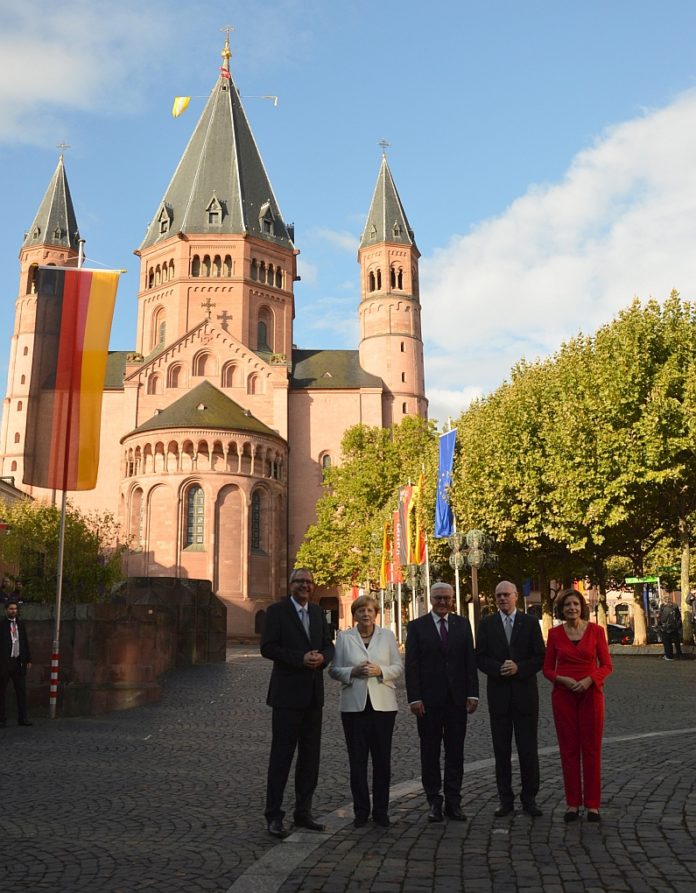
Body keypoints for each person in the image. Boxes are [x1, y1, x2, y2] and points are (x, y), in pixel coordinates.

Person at [260, 568, 334, 839]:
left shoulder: (316, 612)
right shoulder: (277, 611)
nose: (305, 585)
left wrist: (323, 659)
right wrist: (299, 658)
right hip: (286, 696)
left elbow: (329, 645)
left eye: (308, 582)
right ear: (290, 584)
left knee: (310, 759)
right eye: (300, 581)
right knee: (281, 757)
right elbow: (267, 648)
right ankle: (274, 815)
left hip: (314, 696)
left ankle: (303, 813)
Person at [405, 582, 478, 822]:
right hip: (428, 702)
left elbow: (469, 660)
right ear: (430, 599)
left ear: (453, 599)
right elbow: (412, 665)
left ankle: (454, 802)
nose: (443, 602)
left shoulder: (462, 624)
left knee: (455, 753)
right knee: (430, 753)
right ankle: (434, 801)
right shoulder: (417, 627)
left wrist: (473, 693)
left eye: (447, 598)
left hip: (457, 701)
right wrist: (414, 697)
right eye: (438, 598)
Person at [328, 595, 402, 828]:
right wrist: (352, 672)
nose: (366, 614)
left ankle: (381, 811)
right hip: (353, 707)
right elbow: (334, 670)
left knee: (382, 762)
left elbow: (398, 666)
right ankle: (361, 811)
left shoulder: (387, 636)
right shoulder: (344, 637)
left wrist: (381, 670)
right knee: (357, 762)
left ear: (376, 613)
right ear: (355, 614)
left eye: (370, 610)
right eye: (361, 610)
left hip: (383, 706)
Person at [476, 580, 545, 817]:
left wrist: (519, 668)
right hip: (499, 696)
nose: (502, 598)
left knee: (528, 749)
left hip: (525, 694)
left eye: (506, 594)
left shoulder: (530, 622)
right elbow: (480, 657)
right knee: (501, 751)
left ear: (516, 596)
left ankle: (530, 798)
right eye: (498, 595)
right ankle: (505, 799)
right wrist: (499, 668)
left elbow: (539, 657)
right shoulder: (486, 624)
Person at [543, 588, 613, 822]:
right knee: (569, 750)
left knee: (591, 750)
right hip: (563, 696)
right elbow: (547, 669)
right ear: (561, 610)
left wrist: (589, 680)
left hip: (591, 694)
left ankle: (592, 805)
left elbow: (607, 665)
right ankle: (572, 803)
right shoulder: (554, 634)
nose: (572, 608)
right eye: (566, 605)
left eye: (575, 604)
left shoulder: (596, 631)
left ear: (582, 607)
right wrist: (561, 679)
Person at [0, 598, 33, 728]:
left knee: (21, 691)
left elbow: (25, 642)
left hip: (18, 662)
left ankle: (23, 718)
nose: (13, 611)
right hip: (5, 663)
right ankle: (1, 719)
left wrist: (28, 659)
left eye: (15, 609)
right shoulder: (2, 625)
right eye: (11, 609)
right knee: (1, 692)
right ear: (6, 610)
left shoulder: (21, 624)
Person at [658, 594, 683, 660]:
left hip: (666, 627)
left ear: (664, 600)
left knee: (667, 642)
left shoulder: (663, 606)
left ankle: (669, 655)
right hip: (674, 626)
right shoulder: (675, 605)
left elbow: (662, 618)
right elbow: (678, 616)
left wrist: (660, 624)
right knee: (676, 641)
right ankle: (679, 654)